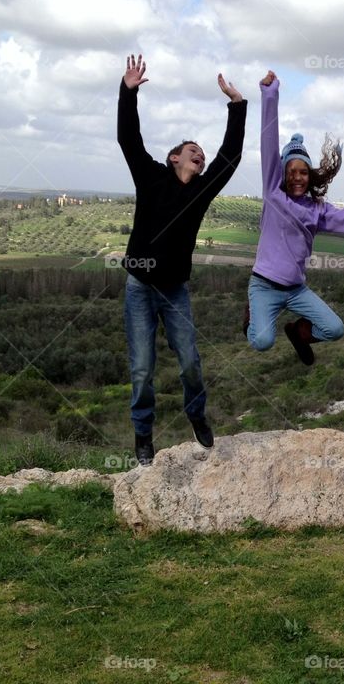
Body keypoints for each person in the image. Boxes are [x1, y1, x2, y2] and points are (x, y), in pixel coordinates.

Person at [117, 53, 247, 465]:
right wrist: (128, 92)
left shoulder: (199, 192)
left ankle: (196, 415)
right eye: (194, 150)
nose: (201, 156)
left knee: (190, 362)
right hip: (139, 289)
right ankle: (143, 436)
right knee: (142, 370)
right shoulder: (151, 175)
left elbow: (230, 157)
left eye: (202, 154)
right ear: (175, 157)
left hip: (175, 291)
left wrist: (237, 106)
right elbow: (128, 139)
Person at [245, 70, 344, 366]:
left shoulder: (317, 209)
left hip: (296, 289)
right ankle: (252, 315)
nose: (298, 177)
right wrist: (270, 94)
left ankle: (298, 332)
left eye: (303, 172)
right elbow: (269, 143)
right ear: (283, 173)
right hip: (264, 286)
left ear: (310, 175)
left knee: (334, 328)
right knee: (261, 341)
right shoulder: (274, 193)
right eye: (292, 171)